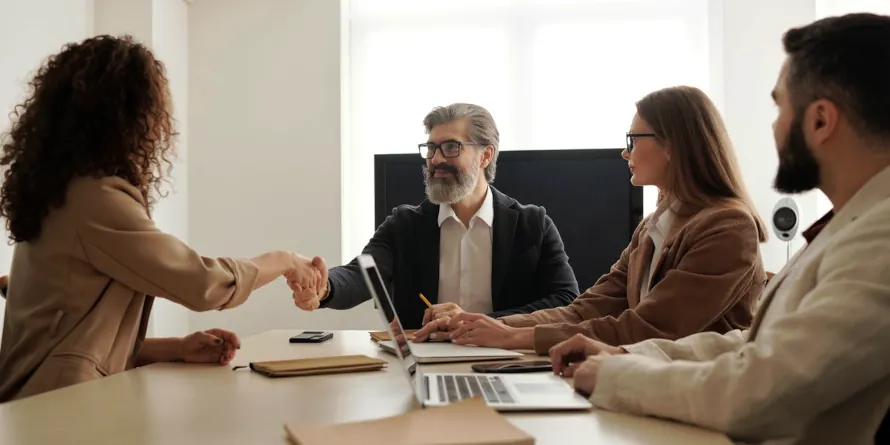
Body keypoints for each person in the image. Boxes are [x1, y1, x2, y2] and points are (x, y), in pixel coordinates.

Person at [549, 13, 890, 445]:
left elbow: (761, 393)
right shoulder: (852, 225)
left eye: (779, 106)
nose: (773, 126)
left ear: (821, 121)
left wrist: (618, 374)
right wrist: (627, 354)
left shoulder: (879, 241)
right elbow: (753, 345)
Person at [0, 35, 323, 403]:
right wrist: (284, 260)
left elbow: (70, 337)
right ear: (127, 115)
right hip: (55, 410)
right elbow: (202, 283)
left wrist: (174, 348)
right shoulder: (93, 199)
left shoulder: (59, 193)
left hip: (42, 404)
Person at [415, 86, 768, 354]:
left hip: (695, 400)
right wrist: (488, 325)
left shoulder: (728, 228)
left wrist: (516, 336)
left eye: (633, 139)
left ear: (672, 145)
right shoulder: (652, 227)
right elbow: (586, 308)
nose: (625, 151)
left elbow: (650, 327)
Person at [292, 103, 579, 329]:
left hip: (508, 359)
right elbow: (360, 276)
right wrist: (324, 286)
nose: (436, 159)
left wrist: (479, 322)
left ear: (485, 155)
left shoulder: (533, 225)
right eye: (431, 148)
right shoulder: (404, 225)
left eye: (451, 147)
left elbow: (565, 301)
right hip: (427, 359)